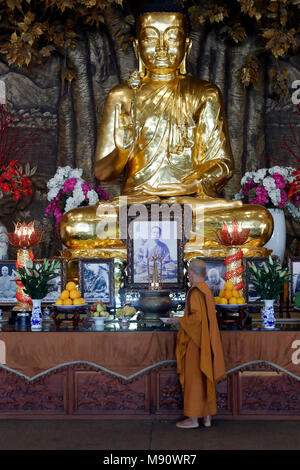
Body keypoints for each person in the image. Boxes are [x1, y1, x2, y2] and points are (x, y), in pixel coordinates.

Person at [60, 2, 273, 253]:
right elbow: (103, 172)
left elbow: (223, 164)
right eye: (151, 38)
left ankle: (136, 246)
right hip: (135, 208)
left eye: (172, 37)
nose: (161, 48)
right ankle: (193, 246)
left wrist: (191, 185)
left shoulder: (204, 93)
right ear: (138, 47)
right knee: (74, 226)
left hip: (190, 205)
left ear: (186, 46)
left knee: (259, 221)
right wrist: (122, 150)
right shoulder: (122, 96)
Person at [169, 259, 226, 428]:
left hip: (195, 341)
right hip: (206, 340)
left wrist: (178, 321)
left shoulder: (195, 292)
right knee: (204, 377)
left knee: (194, 379)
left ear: (191, 273)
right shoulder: (207, 290)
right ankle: (207, 418)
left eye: (189, 273)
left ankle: (193, 419)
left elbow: (196, 319)